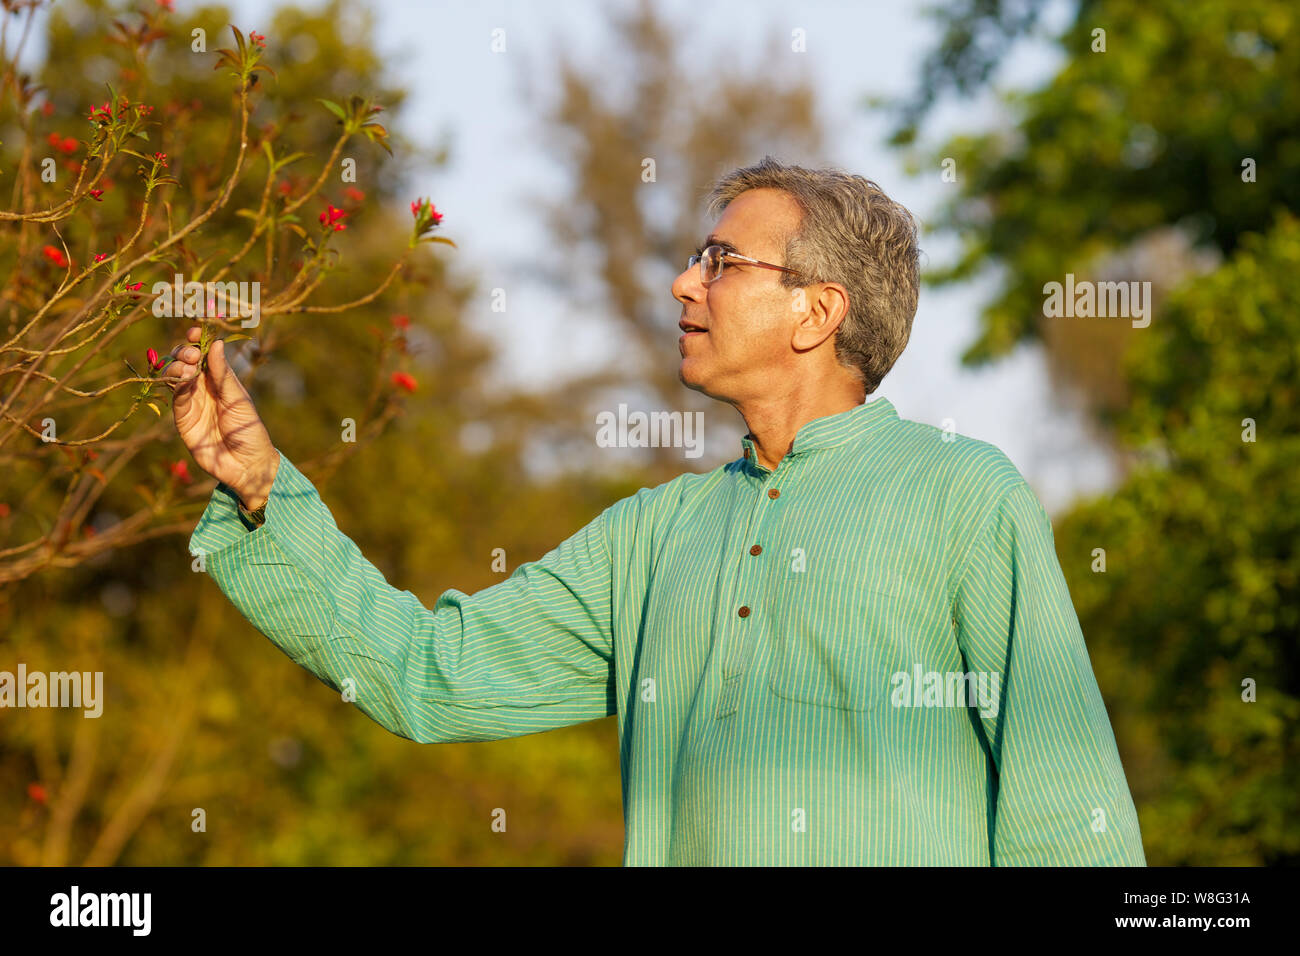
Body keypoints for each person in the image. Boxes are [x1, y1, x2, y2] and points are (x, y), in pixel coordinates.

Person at [165, 156, 1146, 866]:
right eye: (695, 258)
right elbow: (428, 672)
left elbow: (1069, 823)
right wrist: (264, 495)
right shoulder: (650, 537)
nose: (685, 281)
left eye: (722, 260)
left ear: (817, 311)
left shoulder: (962, 497)